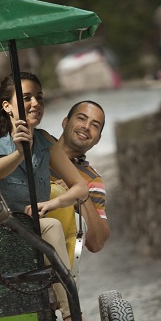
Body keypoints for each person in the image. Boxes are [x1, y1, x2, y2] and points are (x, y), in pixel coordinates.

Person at [0, 72, 101, 321]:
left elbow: (80, 187)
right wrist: (20, 151)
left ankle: (63, 313)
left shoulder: (45, 141)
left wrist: (52, 203)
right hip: (2, 227)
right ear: (6, 106)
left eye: (39, 97)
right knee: (53, 226)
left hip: (37, 225)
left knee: (52, 224)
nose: (35, 103)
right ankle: (71, 317)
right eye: (25, 98)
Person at [50, 100, 110, 256]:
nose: (86, 127)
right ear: (65, 122)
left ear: (98, 139)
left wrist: (79, 193)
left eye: (95, 125)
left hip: (54, 260)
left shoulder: (92, 180)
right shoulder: (35, 148)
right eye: (81, 118)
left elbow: (96, 243)